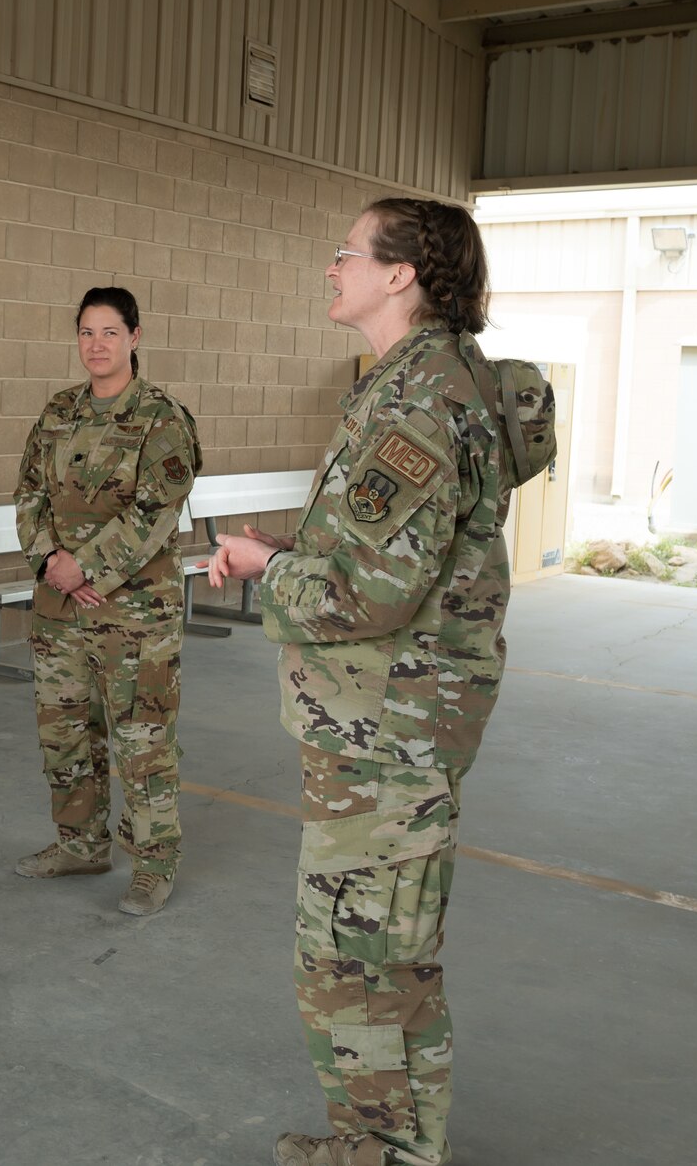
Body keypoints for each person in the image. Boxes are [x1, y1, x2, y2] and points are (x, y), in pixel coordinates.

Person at [208, 199, 553, 1166]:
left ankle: (384, 1154)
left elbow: (367, 589)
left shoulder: (415, 400)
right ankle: (385, 1148)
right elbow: (398, 555)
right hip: (395, 723)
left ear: (399, 274)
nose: (332, 268)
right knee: (378, 954)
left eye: (345, 253)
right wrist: (287, 550)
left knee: (359, 960)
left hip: (387, 735)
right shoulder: (433, 382)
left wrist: (267, 568)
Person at [12, 285, 201, 917]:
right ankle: (80, 844)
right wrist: (49, 564)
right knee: (65, 734)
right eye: (87, 333)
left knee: (142, 740)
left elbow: (156, 513)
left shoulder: (161, 419)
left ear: (135, 338)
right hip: (59, 607)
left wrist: (84, 567)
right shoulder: (58, 411)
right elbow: (28, 494)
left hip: (135, 614)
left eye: (110, 333)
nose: (97, 345)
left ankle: (154, 865)